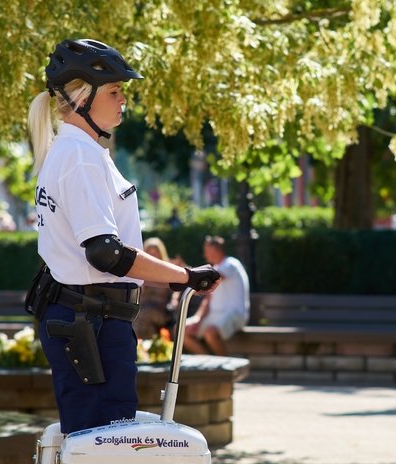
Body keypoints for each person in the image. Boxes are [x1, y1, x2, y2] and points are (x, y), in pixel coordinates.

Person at [24, 38, 220, 436]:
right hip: (92, 322)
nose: (123, 100)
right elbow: (105, 253)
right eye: (114, 91)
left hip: (88, 318)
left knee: (96, 441)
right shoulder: (80, 157)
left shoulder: (74, 152)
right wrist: (184, 276)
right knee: (102, 445)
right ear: (83, 99)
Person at [184, 235, 249, 356]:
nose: (205, 255)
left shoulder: (231, 263)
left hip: (235, 314)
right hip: (214, 316)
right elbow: (207, 300)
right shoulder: (215, 268)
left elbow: (215, 277)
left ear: (215, 250)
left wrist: (186, 271)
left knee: (210, 333)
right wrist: (198, 319)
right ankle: (208, 361)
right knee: (181, 330)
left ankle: (225, 366)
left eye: (206, 251)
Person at [132, 237, 177, 339]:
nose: (153, 255)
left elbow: (175, 290)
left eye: (155, 253)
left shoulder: (168, 270)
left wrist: (175, 300)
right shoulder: (141, 271)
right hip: (142, 307)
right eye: (149, 253)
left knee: (144, 316)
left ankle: (140, 345)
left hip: (161, 310)